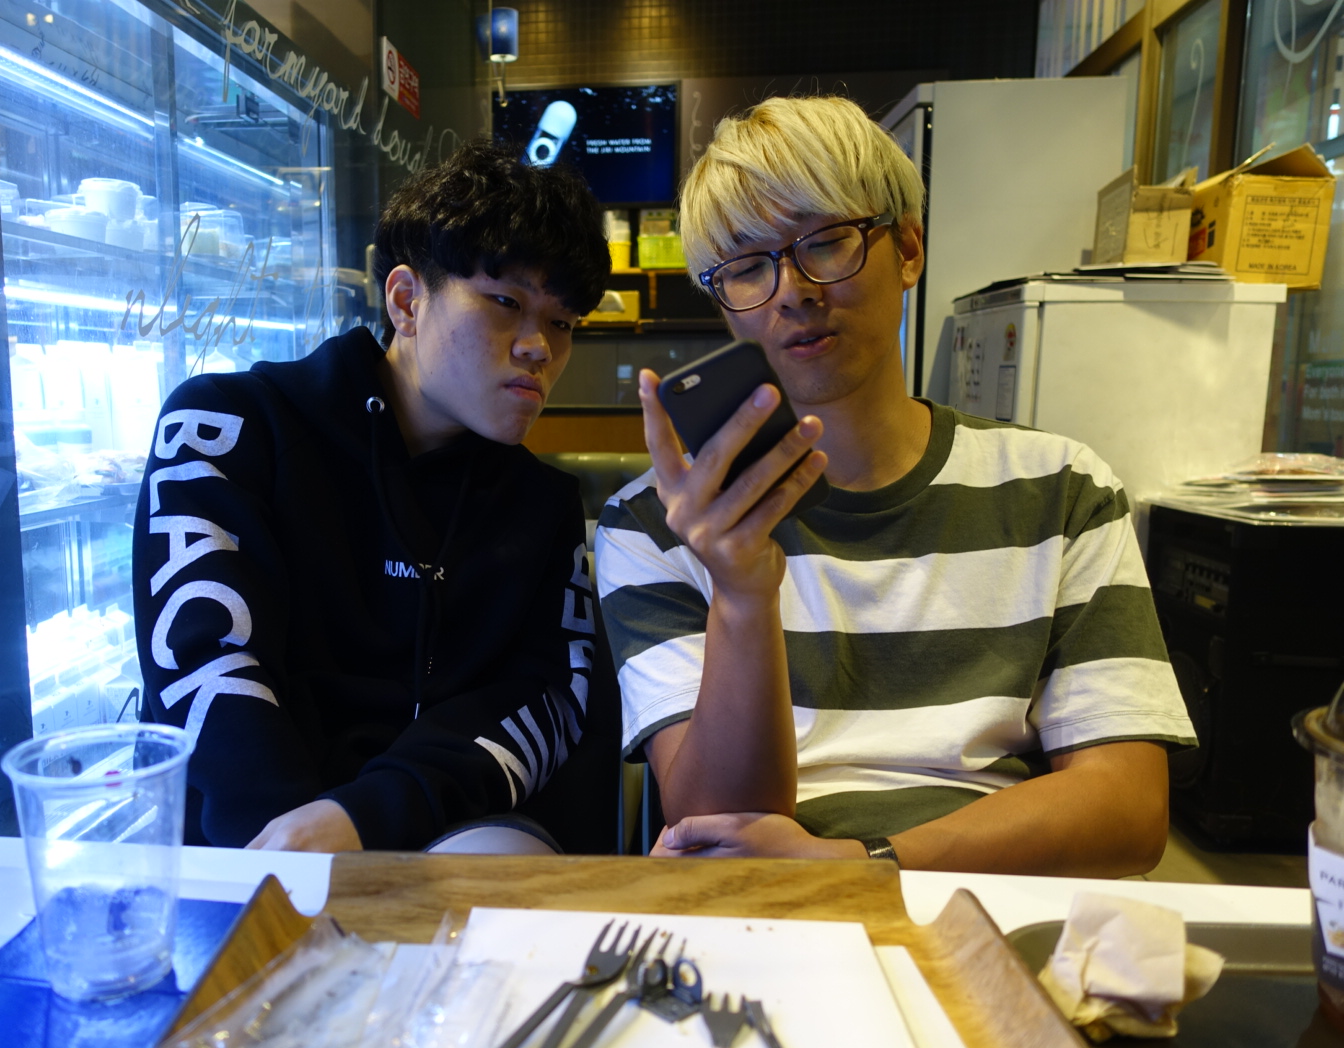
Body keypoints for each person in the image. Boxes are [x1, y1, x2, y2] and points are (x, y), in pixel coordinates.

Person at [594, 96, 1194, 876]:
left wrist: (867, 861)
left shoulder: (1062, 489)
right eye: (746, 267)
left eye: (825, 242)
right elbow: (716, 826)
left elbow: (1129, 809)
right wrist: (741, 594)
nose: (792, 290)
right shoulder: (656, 524)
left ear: (907, 250)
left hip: (995, 900)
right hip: (773, 914)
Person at [134, 141, 613, 854]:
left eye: (562, 322)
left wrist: (363, 817)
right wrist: (289, 844)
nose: (539, 347)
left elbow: (549, 696)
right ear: (407, 301)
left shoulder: (540, 505)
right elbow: (203, 649)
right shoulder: (227, 426)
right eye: (506, 303)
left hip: (446, 840)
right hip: (240, 850)